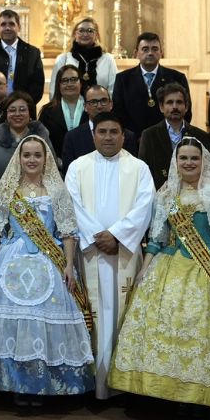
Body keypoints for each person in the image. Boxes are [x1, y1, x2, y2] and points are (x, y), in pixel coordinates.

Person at [0, 135, 94, 408]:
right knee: (13, 324)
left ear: (46, 159)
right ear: (19, 158)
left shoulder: (57, 190)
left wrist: (68, 265)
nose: (31, 160)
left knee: (40, 323)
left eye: (36, 155)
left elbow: (67, 232)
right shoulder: (7, 189)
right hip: (10, 261)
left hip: (48, 262)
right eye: (26, 155)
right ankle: (14, 383)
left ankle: (40, 385)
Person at [109, 138, 210, 411]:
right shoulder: (165, 195)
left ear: (203, 162)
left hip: (207, 267)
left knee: (197, 326)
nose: (189, 163)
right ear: (175, 163)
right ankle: (159, 393)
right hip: (168, 264)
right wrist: (145, 269)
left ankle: (194, 398)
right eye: (183, 158)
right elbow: (157, 237)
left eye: (194, 158)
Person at [65, 111, 155, 399]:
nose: (107, 137)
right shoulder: (78, 167)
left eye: (113, 131)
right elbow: (72, 205)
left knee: (122, 315)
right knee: (91, 314)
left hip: (124, 255)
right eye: (102, 131)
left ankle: (120, 385)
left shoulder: (139, 168)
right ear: (93, 135)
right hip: (90, 255)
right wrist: (97, 237)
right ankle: (91, 383)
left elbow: (145, 206)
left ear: (123, 135)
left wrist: (117, 236)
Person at [111, 32, 190, 140]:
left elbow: (186, 111)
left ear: (161, 53)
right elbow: (118, 112)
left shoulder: (176, 78)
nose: (150, 53)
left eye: (155, 49)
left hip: (168, 139)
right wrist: (133, 137)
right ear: (136, 53)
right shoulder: (123, 79)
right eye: (145, 49)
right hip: (133, 140)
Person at [138, 82, 210, 190]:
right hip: (160, 197)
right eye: (170, 102)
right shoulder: (149, 135)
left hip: (193, 196)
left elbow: (207, 171)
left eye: (179, 102)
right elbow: (143, 171)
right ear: (161, 107)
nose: (175, 106)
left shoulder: (201, 136)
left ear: (186, 107)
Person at [0, 10, 45, 103]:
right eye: (3, 24)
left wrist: (24, 105)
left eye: (11, 24)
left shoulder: (33, 53)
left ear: (19, 27)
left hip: (24, 111)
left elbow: (37, 85)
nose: (7, 28)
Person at [61, 83, 137, 169]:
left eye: (103, 101)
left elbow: (132, 168)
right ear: (85, 107)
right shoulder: (72, 137)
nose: (99, 106)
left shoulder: (128, 136)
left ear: (111, 104)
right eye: (93, 102)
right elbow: (68, 171)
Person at [0, 91, 53, 179]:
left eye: (22, 110)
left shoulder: (41, 137)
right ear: (6, 115)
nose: (17, 114)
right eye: (12, 110)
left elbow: (52, 168)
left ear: (30, 113)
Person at [49, 17, 117, 95]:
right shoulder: (63, 59)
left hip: (100, 106)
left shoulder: (108, 59)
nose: (85, 34)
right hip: (69, 106)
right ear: (74, 34)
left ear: (96, 35)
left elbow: (113, 89)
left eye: (90, 31)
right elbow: (54, 90)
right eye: (81, 31)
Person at [38, 63, 86, 159]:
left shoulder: (91, 107)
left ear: (80, 83)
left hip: (87, 165)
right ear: (58, 85)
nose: (69, 84)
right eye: (64, 80)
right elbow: (42, 142)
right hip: (57, 166)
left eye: (73, 79)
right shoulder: (47, 111)